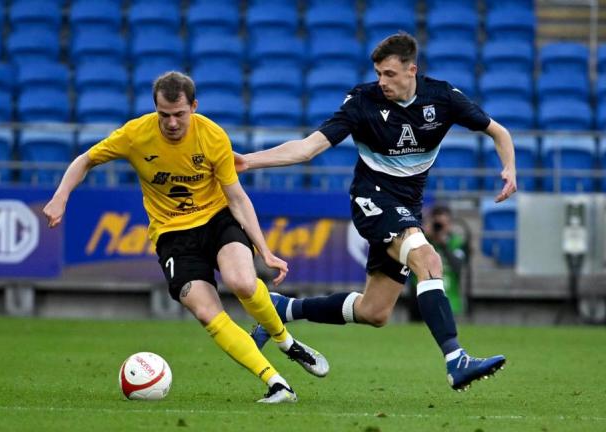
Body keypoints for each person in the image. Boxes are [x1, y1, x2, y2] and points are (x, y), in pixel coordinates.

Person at [236, 33, 516, 391]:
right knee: (428, 259)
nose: (381, 81)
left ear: (412, 70)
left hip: (407, 208)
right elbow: (308, 149)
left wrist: (509, 168)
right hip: (372, 200)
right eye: (378, 74)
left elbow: (499, 132)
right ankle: (455, 358)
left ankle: (283, 309)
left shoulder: (443, 97)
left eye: (389, 74)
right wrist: (248, 161)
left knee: (375, 311)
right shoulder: (362, 101)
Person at [42, 71, 329, 404]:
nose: (172, 123)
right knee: (207, 312)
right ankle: (277, 383)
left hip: (216, 220)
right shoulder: (135, 134)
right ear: (155, 109)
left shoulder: (212, 136)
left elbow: (236, 197)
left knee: (244, 283)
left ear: (193, 106)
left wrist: (265, 250)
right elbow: (86, 159)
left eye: (179, 114)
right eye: (164, 115)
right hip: (172, 235)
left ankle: (285, 342)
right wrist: (61, 195)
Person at [409, 204, 469, 320]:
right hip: (420, 304)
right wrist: (424, 237)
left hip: (450, 302)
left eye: (442, 224)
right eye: (437, 224)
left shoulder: (457, 242)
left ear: (450, 224)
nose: (439, 228)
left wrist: (444, 244)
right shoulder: (421, 241)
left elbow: (458, 266)